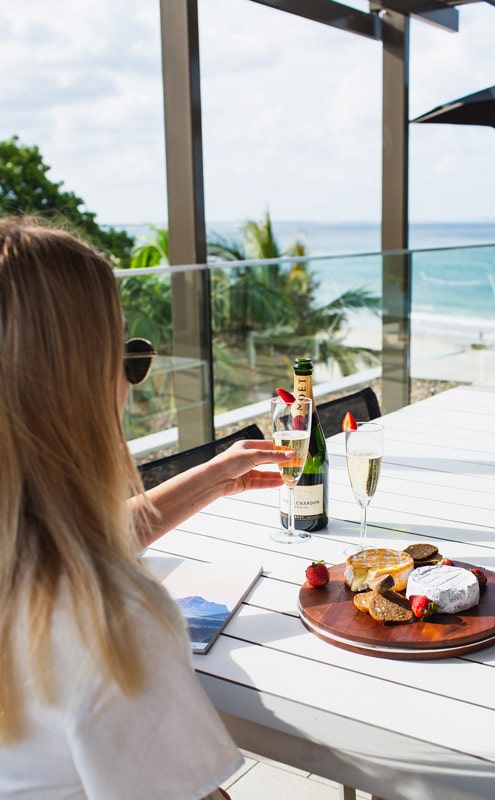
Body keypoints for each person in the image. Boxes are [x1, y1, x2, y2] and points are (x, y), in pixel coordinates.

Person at [0, 218, 294, 799]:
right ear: (78, 382)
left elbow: (59, 545)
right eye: (124, 357)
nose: (131, 385)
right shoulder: (108, 620)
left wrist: (215, 479)